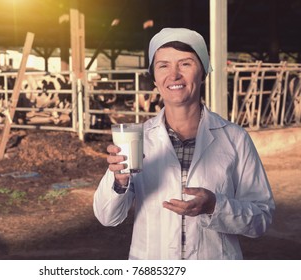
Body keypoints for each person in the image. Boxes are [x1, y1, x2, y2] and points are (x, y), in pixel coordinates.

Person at [93, 28, 275, 260]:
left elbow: (261, 218)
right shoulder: (138, 139)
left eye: (185, 64)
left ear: (203, 73)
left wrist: (215, 206)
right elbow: (108, 217)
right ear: (155, 78)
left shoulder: (235, 138)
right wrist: (119, 181)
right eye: (163, 65)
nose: (174, 75)